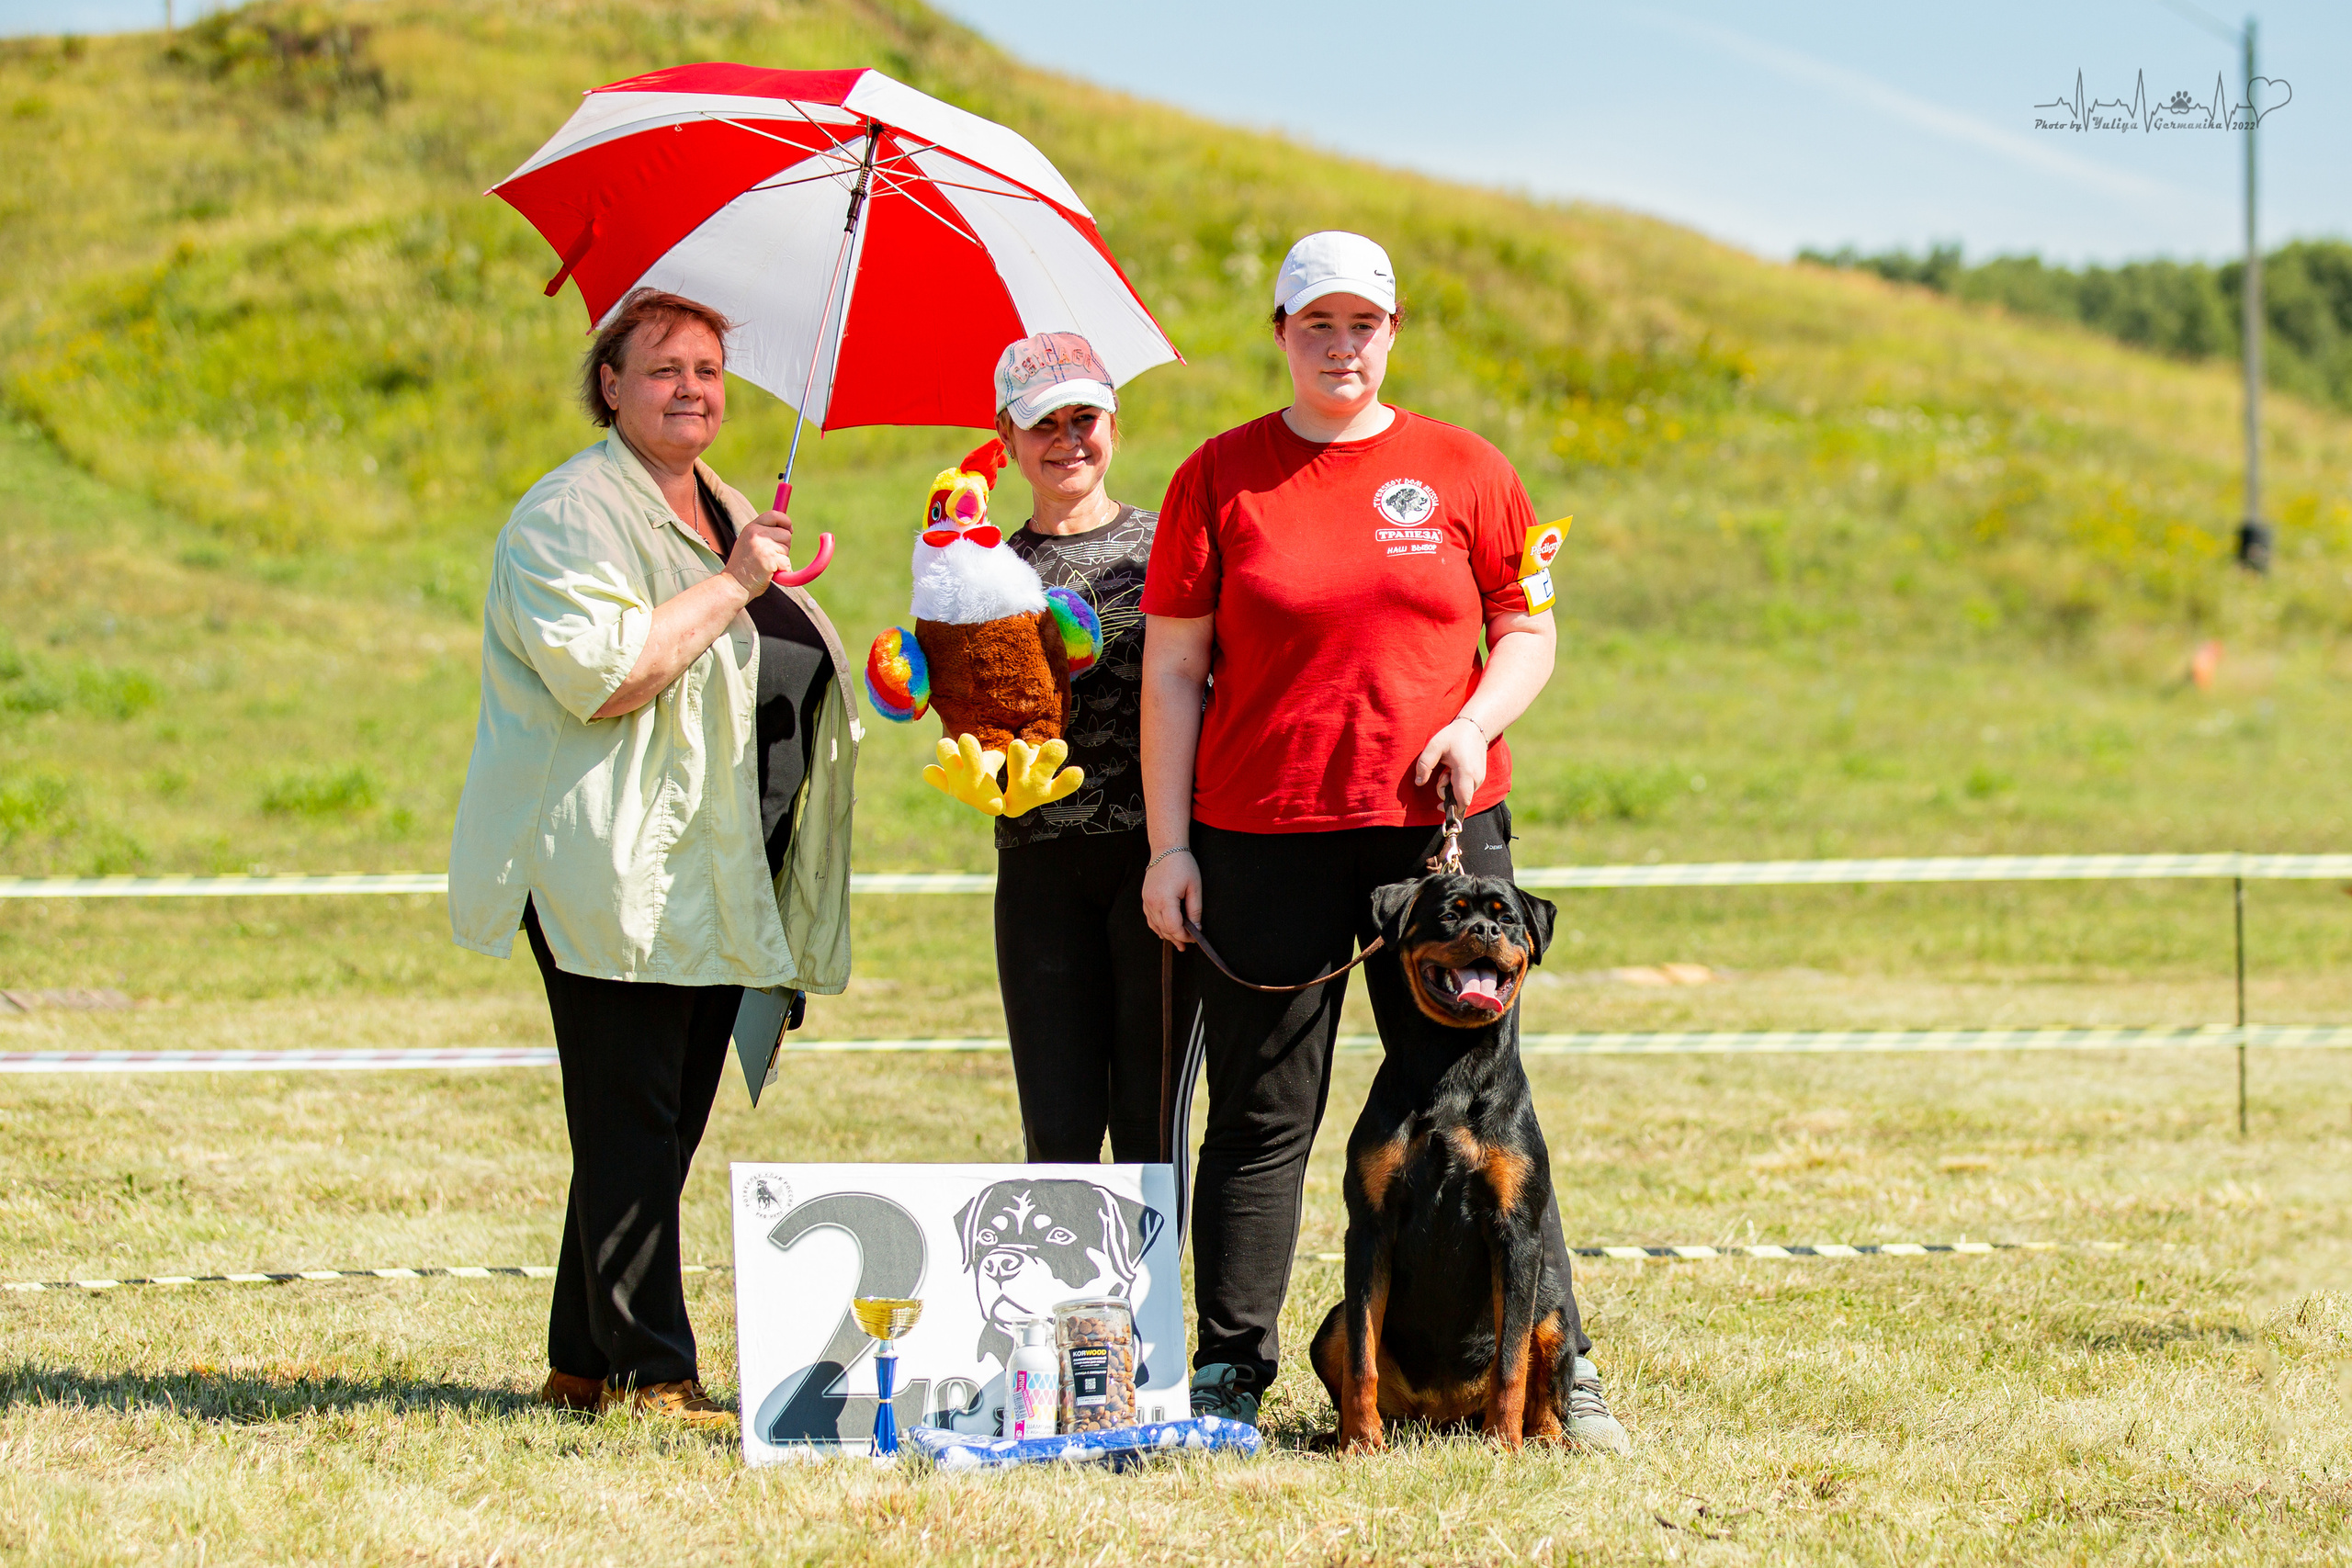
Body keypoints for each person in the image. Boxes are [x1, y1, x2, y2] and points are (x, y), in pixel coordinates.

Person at [1137, 232, 1628, 1451]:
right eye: (1317, 324)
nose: (1340, 345)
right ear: (1280, 332)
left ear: (1393, 331)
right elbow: (1174, 671)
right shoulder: (1218, 476)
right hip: (1261, 833)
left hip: (1440, 843)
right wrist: (1168, 846)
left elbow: (1528, 632)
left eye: (1362, 324)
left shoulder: (1467, 468)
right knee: (1260, 1112)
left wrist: (1472, 719)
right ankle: (1229, 1371)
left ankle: (1565, 1367)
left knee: (1494, 1114)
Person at [447, 288, 859, 1428]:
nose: (693, 388)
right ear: (610, 386)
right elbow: (606, 674)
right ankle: (651, 1375)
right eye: (665, 366)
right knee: (632, 1116)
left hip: (706, 862)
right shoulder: (566, 516)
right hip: (606, 861)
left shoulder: (720, 500)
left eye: (710, 371)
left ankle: (582, 1360)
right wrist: (733, 581)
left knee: (661, 1118)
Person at [987, 333, 1161, 1164]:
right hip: (1038, 865)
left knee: (1149, 1123)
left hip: (1155, 863)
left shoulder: (1170, 546)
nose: (1068, 440)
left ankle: (1149, 1297)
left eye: (1084, 417)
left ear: (1114, 424)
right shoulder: (982, 567)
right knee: (1055, 1124)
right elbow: (963, 711)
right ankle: (1066, 1297)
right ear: (1005, 438)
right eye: (1042, 424)